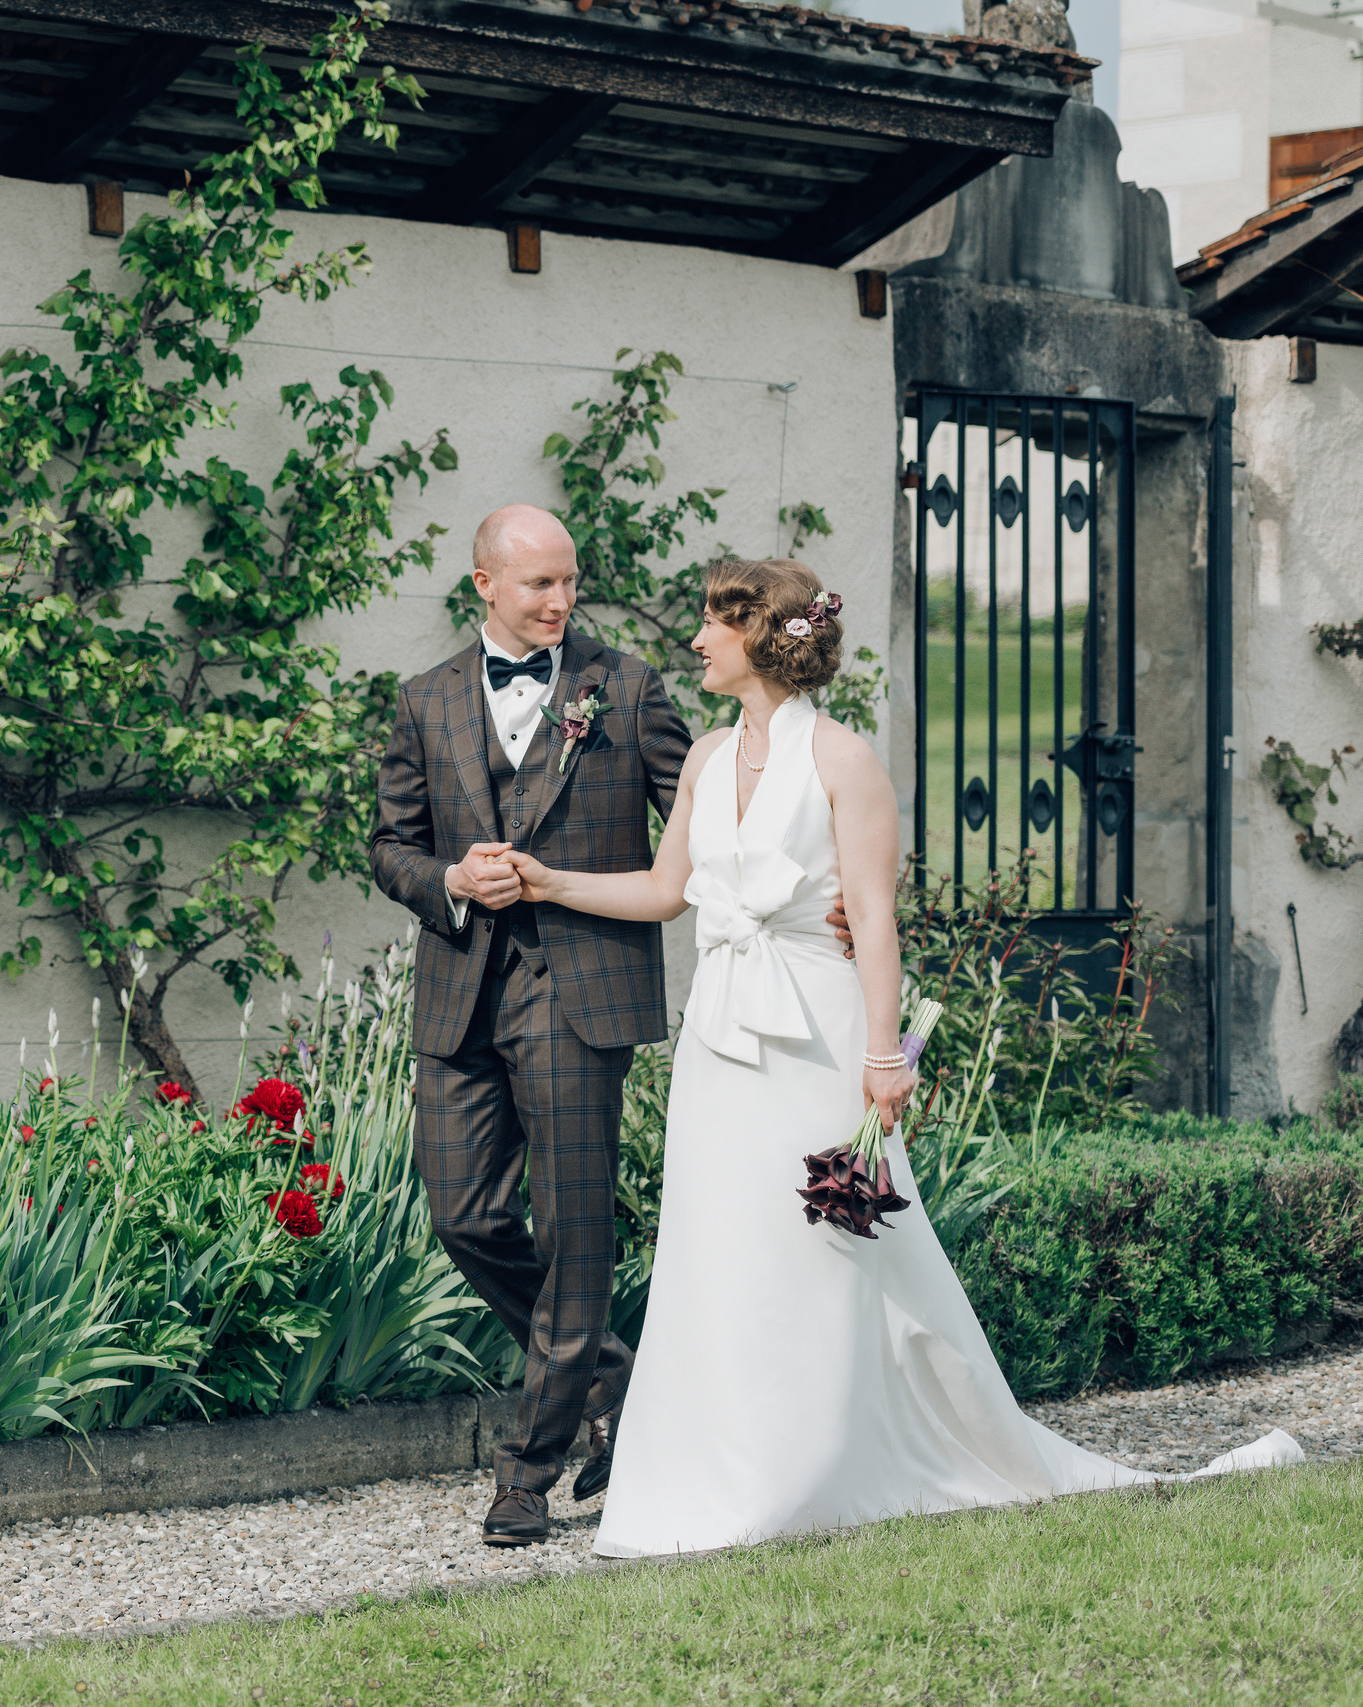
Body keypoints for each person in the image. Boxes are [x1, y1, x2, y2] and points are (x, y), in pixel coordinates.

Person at [500, 556, 1303, 1557]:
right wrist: (545, 881)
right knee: (719, 1248)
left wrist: (886, 1057)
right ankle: (718, 1471)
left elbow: (873, 920)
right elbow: (666, 892)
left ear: (759, 639)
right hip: (720, 1037)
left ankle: (819, 1469)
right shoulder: (705, 758)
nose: (696, 642)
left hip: (816, 1032)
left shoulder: (844, 762)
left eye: (712, 625)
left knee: (824, 1244)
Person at [368, 504, 692, 1549]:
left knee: (573, 1233)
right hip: (462, 988)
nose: (558, 603)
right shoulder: (423, 702)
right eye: (536, 586)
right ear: (484, 587)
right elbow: (390, 848)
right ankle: (613, 1383)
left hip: (579, 986)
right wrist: (448, 879)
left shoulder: (626, 688)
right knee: (463, 1217)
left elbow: (703, 816)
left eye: (567, 582)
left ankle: (526, 1475)